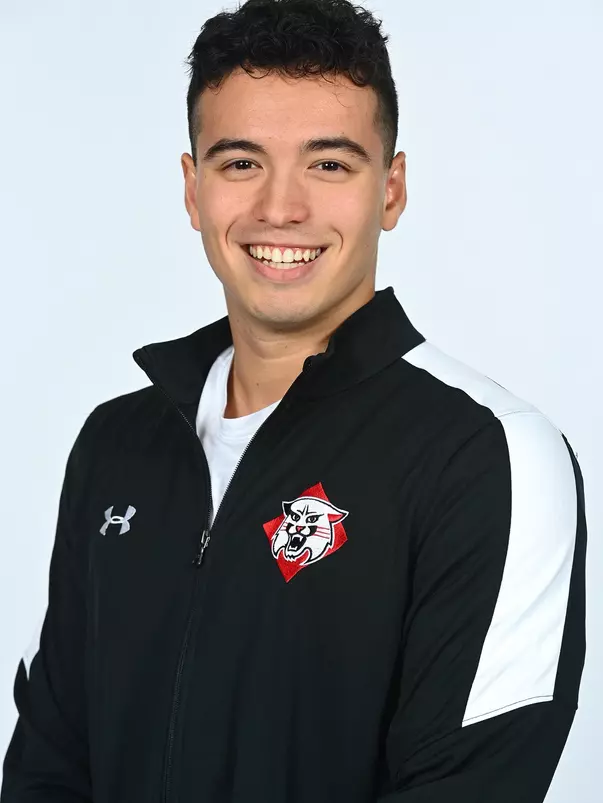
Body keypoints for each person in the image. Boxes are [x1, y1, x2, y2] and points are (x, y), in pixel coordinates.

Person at [1, 0, 587, 801]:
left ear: (391, 188)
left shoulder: (489, 454)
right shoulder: (117, 443)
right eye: (240, 162)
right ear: (192, 187)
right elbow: (48, 761)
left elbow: (465, 783)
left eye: (329, 163)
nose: (281, 208)